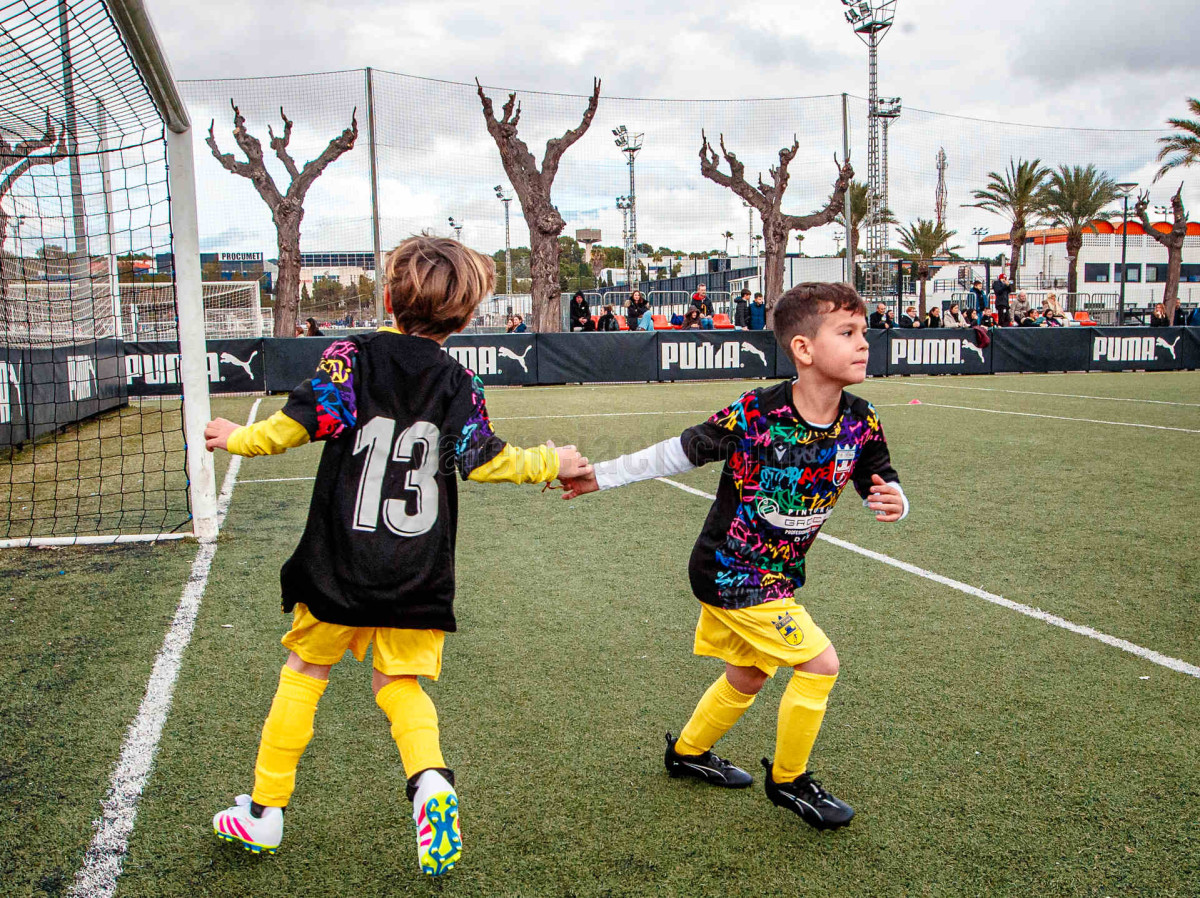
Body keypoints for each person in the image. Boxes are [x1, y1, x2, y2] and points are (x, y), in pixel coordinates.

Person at [202, 235, 591, 875]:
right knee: (399, 685)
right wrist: (554, 460)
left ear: (387, 298)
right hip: (417, 567)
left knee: (304, 671)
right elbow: (484, 459)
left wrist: (236, 436)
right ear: (466, 317)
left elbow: (296, 426)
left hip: (340, 561)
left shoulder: (350, 356)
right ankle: (430, 781)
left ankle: (265, 811)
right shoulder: (460, 380)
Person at [559, 282, 908, 831]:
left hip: (778, 574)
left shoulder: (862, 420)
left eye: (864, 331)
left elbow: (878, 475)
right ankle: (789, 781)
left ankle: (687, 753)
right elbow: (679, 452)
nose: (864, 342)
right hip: (730, 569)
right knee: (820, 664)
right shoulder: (759, 412)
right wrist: (598, 476)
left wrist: (895, 499)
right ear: (803, 348)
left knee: (748, 673)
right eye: (847, 332)